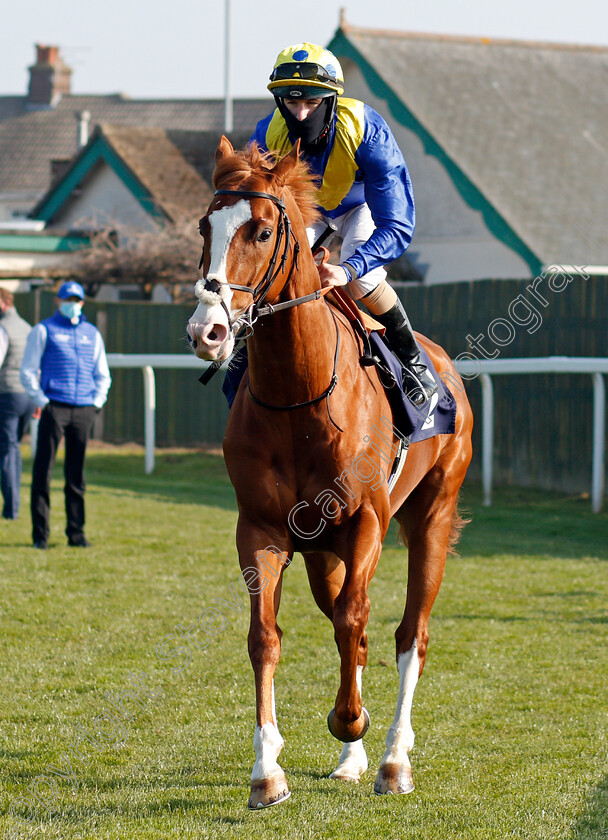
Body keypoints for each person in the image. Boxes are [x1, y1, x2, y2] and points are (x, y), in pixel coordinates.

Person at [227, 42, 437, 405]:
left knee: (363, 280)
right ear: (280, 102)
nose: (302, 114)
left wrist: (348, 269)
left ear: (330, 100)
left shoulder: (366, 130)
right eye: (292, 103)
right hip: (309, 211)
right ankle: (245, 357)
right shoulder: (266, 136)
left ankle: (411, 359)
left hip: (361, 206)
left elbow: (397, 225)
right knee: (269, 269)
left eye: (312, 102)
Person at [20, 281, 111, 549]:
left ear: (82, 302)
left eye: (76, 299)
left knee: (76, 475)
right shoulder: (42, 330)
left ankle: (76, 533)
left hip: (83, 410)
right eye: (67, 299)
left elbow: (102, 374)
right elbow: (27, 371)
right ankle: (40, 535)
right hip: (54, 408)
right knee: (43, 472)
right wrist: (43, 401)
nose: (72, 303)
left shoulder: (92, 333)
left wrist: (96, 402)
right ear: (58, 302)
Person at [0, 288, 37, 520]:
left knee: (7, 450)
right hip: (28, 396)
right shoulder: (27, 327)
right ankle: (15, 504)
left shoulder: (3, 328)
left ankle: (11, 508)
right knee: (14, 449)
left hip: (8, 394)